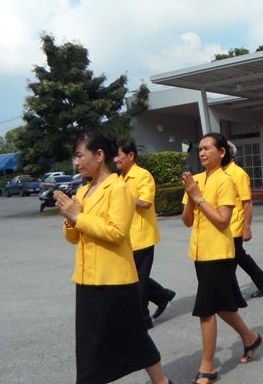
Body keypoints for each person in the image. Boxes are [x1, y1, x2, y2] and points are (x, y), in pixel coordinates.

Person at [54, 131, 171, 384]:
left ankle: (161, 381)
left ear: (99, 155)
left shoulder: (118, 188)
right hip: (88, 279)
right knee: (90, 344)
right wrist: (69, 218)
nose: (76, 162)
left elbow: (117, 233)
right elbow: (74, 237)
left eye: (79, 155)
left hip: (115, 280)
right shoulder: (84, 191)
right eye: (75, 156)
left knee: (134, 336)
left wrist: (78, 217)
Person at [181, 132, 261, 384]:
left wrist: (198, 197)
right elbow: (187, 221)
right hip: (200, 252)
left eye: (208, 148)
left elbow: (223, 220)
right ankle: (250, 338)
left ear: (222, 152)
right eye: (200, 149)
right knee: (223, 306)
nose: (202, 153)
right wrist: (190, 196)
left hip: (220, 252)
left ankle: (208, 367)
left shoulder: (226, 180)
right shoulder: (195, 180)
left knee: (206, 309)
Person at [115, 140, 176, 329]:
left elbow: (146, 202)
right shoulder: (119, 178)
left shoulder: (143, 176)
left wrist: (122, 198)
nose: (116, 159)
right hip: (125, 236)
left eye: (119, 155)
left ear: (131, 155)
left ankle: (143, 319)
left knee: (138, 280)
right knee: (130, 275)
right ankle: (161, 295)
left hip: (142, 235)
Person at [224, 141, 263, 298]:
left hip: (235, 225)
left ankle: (232, 295)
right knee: (239, 257)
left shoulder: (238, 174)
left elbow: (247, 203)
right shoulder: (219, 173)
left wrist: (247, 227)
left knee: (229, 261)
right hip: (223, 224)